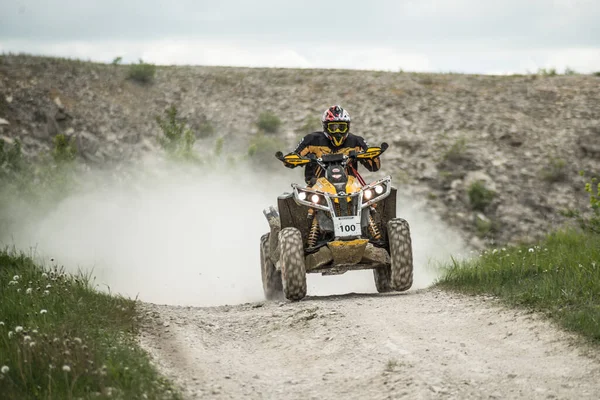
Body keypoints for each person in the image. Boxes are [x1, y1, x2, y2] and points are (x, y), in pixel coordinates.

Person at [283, 105, 380, 184]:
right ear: (325, 127)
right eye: (333, 127)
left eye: (341, 127)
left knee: (374, 197)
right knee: (296, 201)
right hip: (316, 186)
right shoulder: (311, 140)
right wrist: (293, 159)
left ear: (348, 127)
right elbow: (291, 160)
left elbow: (374, 167)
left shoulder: (357, 141)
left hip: (350, 186)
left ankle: (372, 209)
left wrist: (370, 156)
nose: (337, 131)